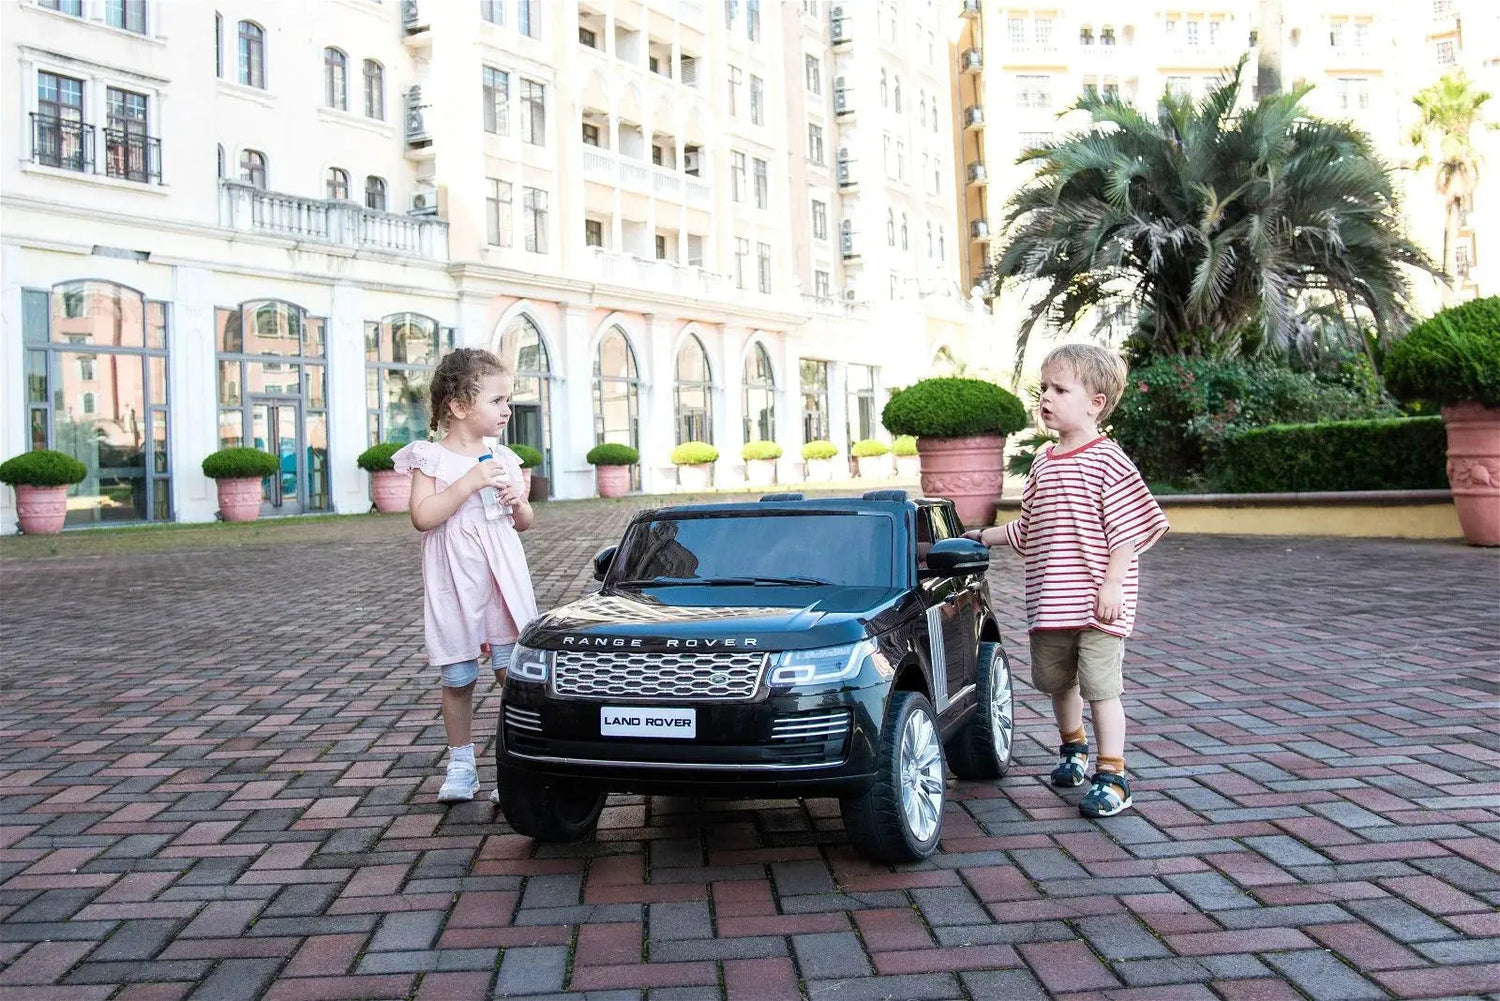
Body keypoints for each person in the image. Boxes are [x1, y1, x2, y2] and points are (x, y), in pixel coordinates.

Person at [966, 343, 1168, 817]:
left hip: (1099, 605)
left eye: (1060, 389)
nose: (1046, 398)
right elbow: (1029, 528)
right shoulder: (1043, 462)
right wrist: (982, 536)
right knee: (1058, 683)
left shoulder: (1109, 461)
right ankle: (1073, 748)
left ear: (1095, 403)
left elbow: (1128, 531)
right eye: (1043, 388)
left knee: (1101, 688)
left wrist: (1113, 584)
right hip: (1051, 602)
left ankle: (1113, 775)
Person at [392, 347, 538, 805]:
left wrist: (519, 503)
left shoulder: (504, 457)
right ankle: (461, 764)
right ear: (458, 406)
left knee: (512, 674)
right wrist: (468, 483)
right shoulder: (430, 458)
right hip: (455, 578)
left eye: (507, 400)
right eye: (496, 400)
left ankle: (518, 766)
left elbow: (523, 523)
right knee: (458, 676)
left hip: (501, 578)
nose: (507, 409)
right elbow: (423, 516)